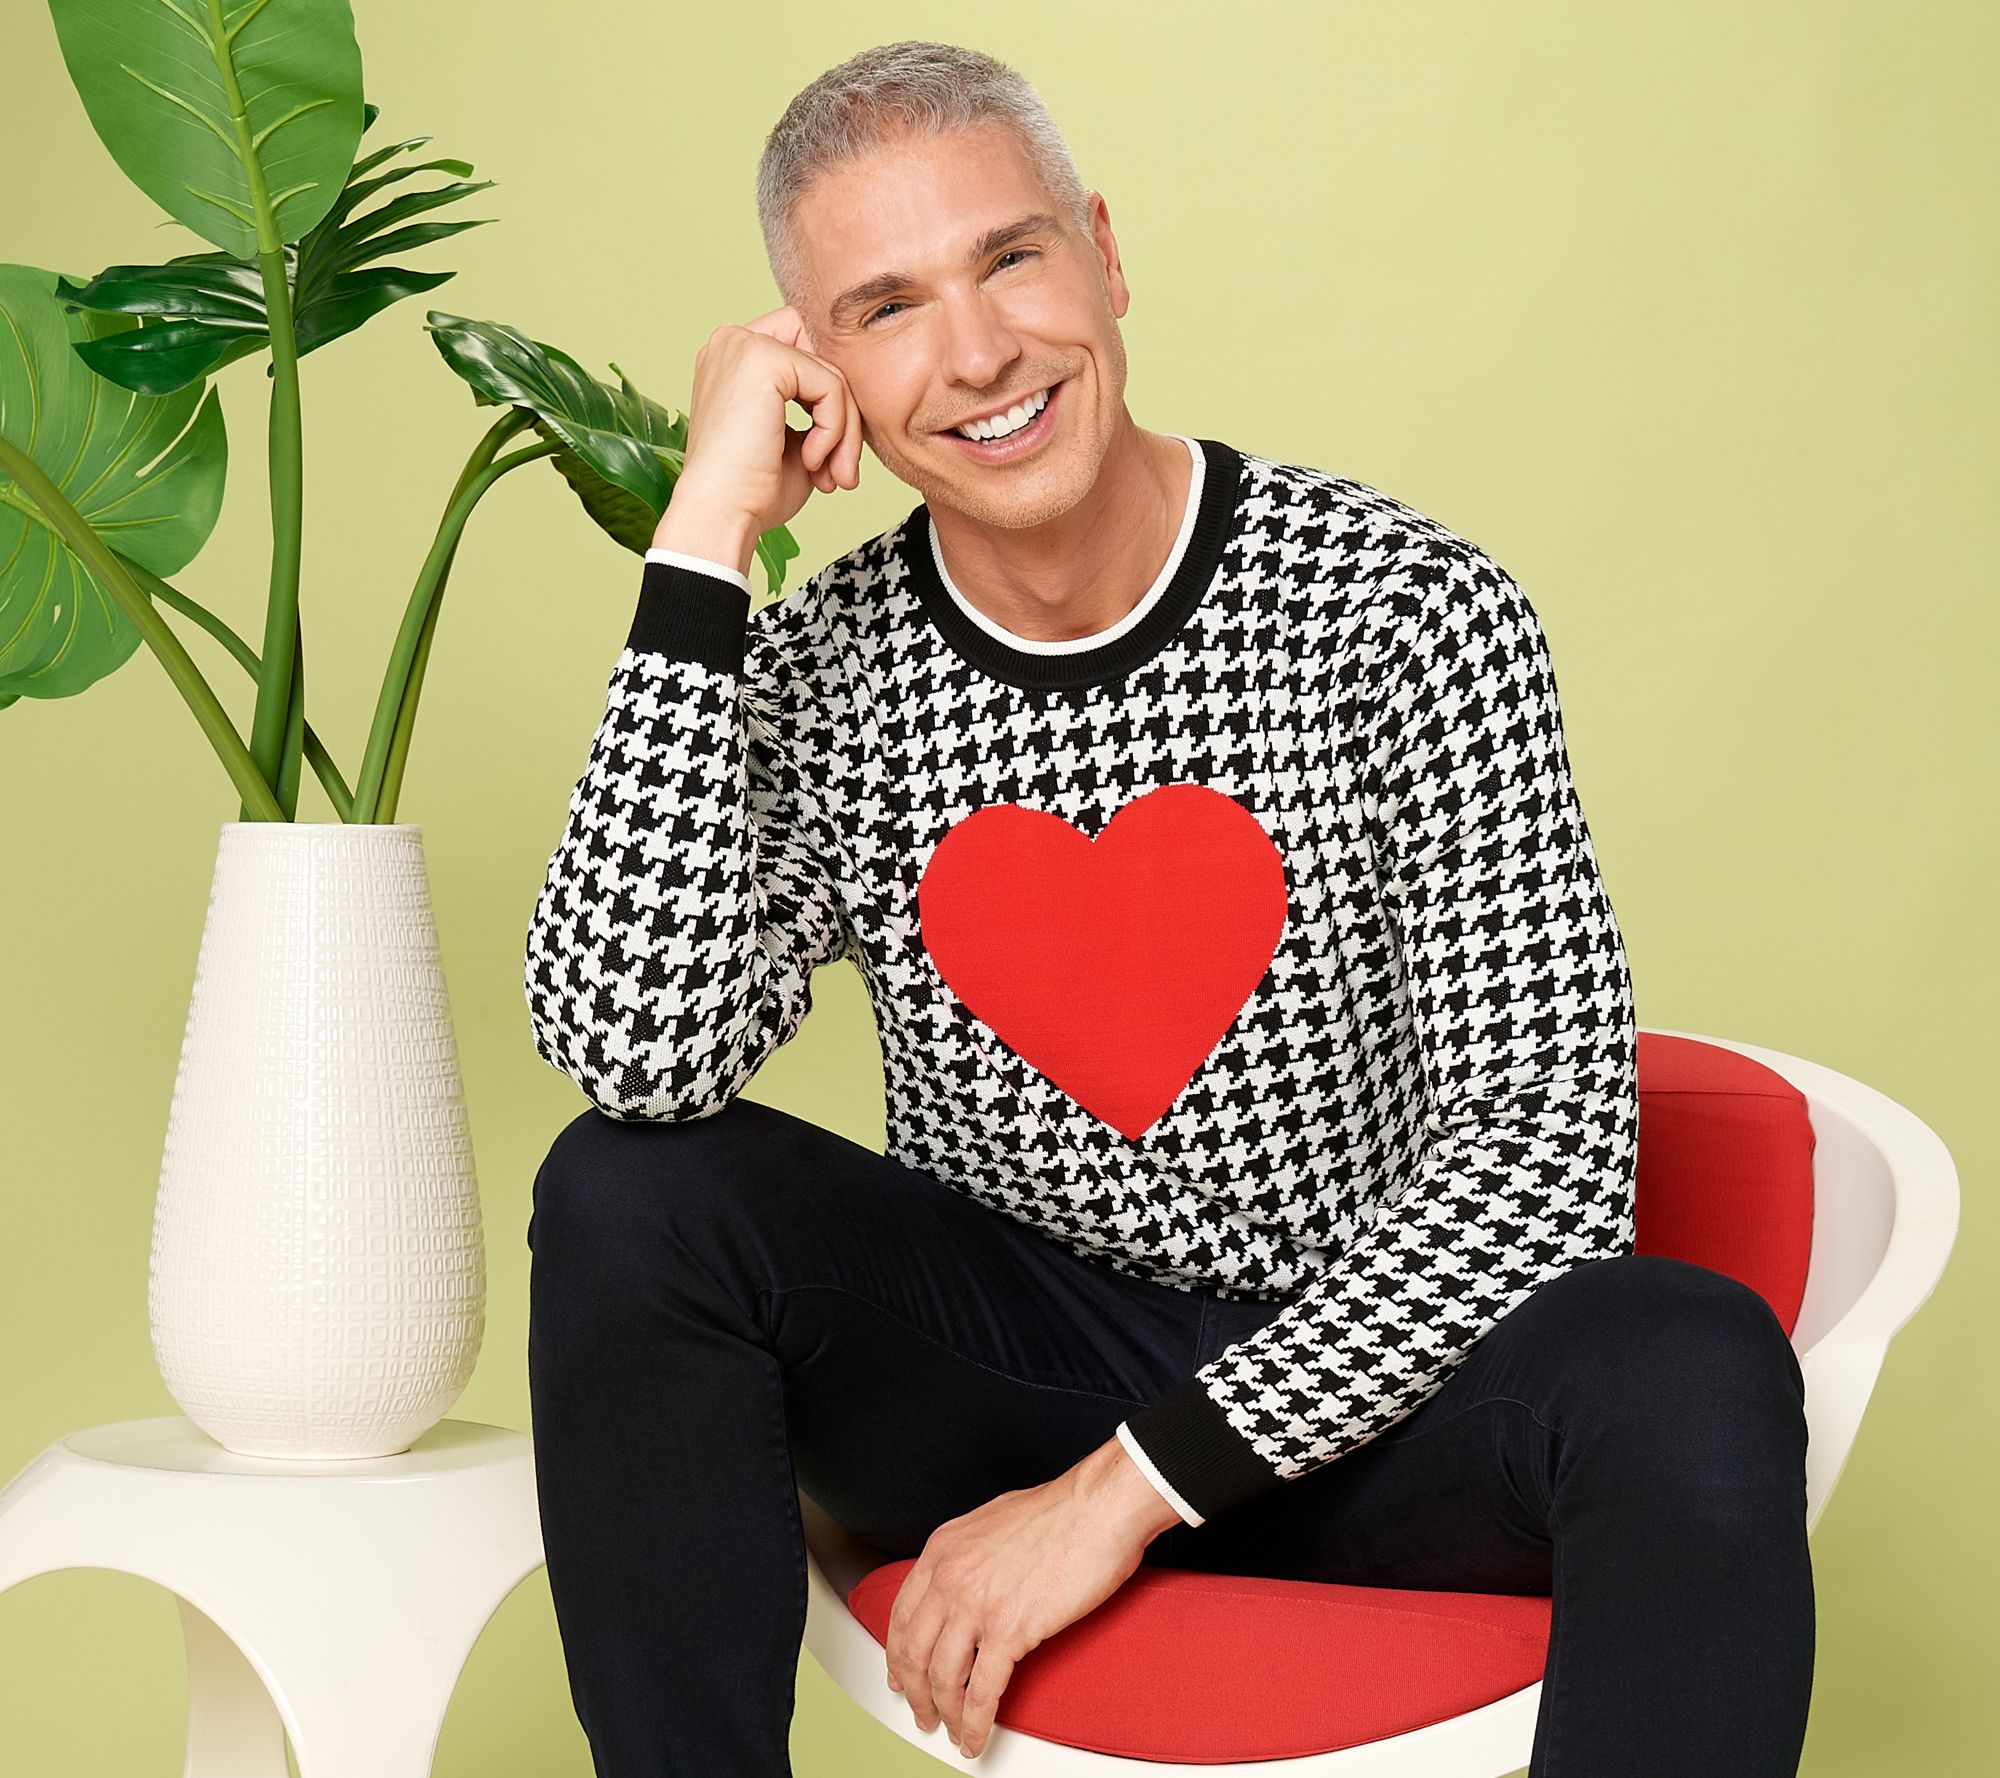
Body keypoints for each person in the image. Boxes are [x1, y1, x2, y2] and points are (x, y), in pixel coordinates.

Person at [521, 37, 1813, 1778]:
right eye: (888, 309)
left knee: (1693, 1350)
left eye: (1011, 258)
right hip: (1007, 1379)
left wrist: (1123, 1492)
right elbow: (634, 1052)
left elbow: (1551, 1157)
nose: (978, 354)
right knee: (626, 1191)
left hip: (1377, 1399)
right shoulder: (829, 670)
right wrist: (703, 540)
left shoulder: (1402, 612)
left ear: (1106, 255)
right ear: (821, 374)